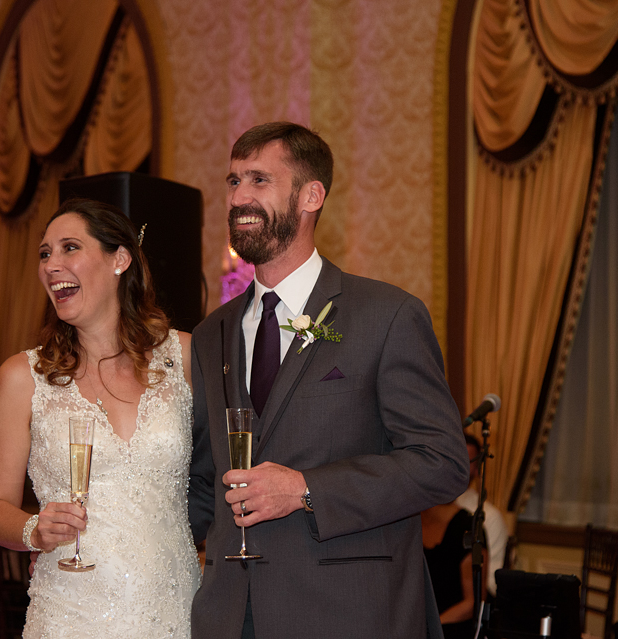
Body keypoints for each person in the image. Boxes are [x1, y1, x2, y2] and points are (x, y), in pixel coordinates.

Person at [188, 122, 470, 638]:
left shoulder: (386, 316)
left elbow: (444, 463)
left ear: (311, 196)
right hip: (231, 618)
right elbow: (204, 483)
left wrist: (306, 489)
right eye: (233, 182)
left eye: (259, 180)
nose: (239, 197)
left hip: (348, 614)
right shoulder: (212, 334)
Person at [0, 199, 200, 638]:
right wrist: (32, 530)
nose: (51, 265)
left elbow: (223, 470)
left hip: (173, 609)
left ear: (119, 260)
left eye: (69, 248)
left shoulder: (186, 357)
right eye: (44, 254)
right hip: (71, 612)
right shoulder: (23, 378)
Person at [454, 433, 508, 596]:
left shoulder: (489, 516)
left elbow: (490, 582)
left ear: (477, 469)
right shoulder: (424, 510)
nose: (458, 467)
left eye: (467, 462)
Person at [422, 502, 486, 639]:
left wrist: (430, 628)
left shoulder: (467, 527)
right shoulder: (406, 523)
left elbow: (472, 602)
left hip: (451, 628)